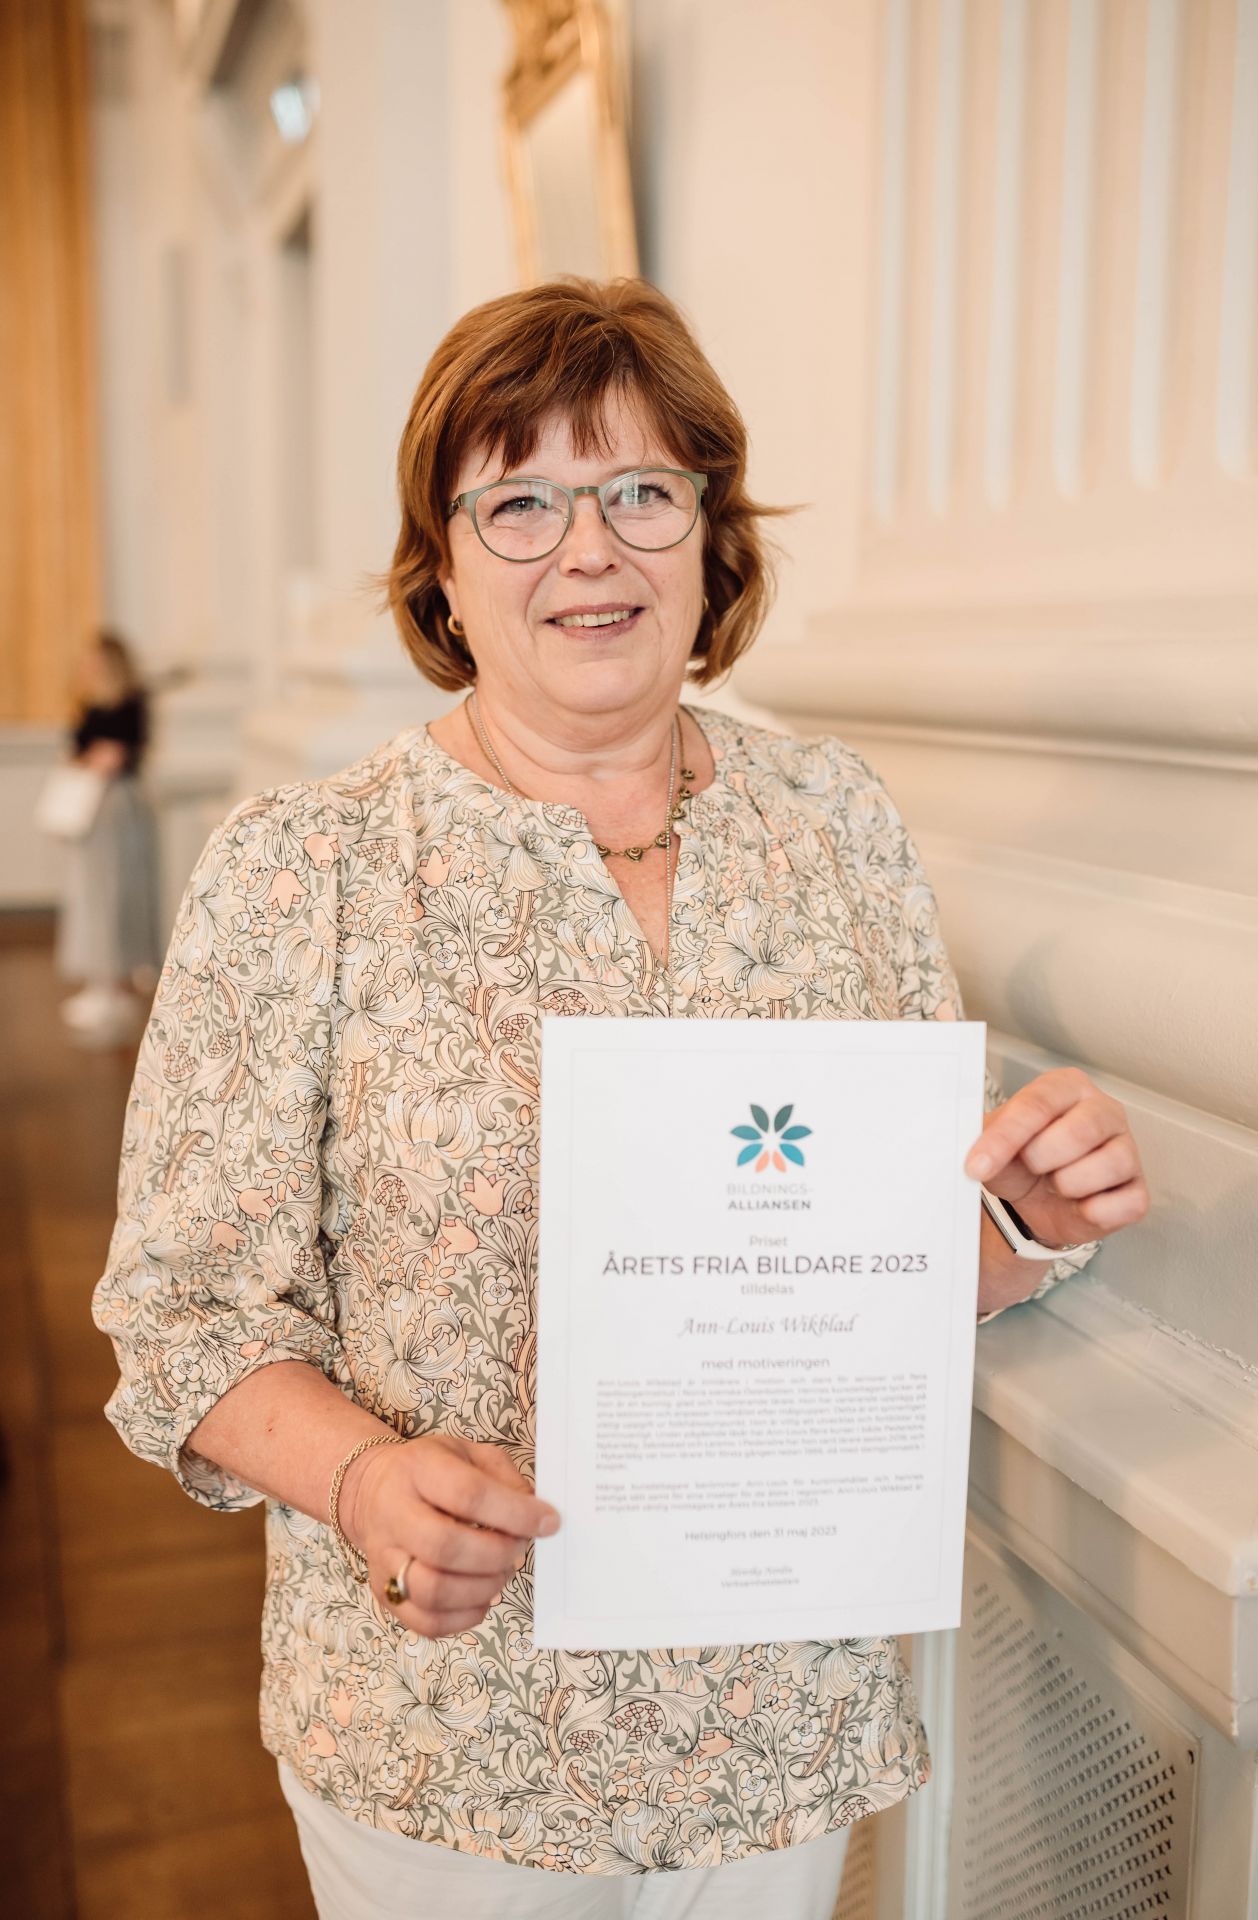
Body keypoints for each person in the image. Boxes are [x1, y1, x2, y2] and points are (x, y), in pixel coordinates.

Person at [92, 279, 1148, 1919]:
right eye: (518, 503)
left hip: (775, 1702)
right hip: (452, 1736)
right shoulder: (309, 867)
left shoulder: (834, 825)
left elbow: (872, 1258)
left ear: (710, 539)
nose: (586, 551)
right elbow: (180, 1318)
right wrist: (363, 1481)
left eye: (640, 492)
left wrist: (1028, 1221)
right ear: (442, 567)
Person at [57, 629, 161, 1046]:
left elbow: (117, 755)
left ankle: (117, 984)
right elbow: (80, 751)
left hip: (117, 806)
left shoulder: (131, 701)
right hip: (91, 804)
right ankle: (98, 980)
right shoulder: (87, 703)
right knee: (91, 893)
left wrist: (96, 758)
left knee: (118, 891)